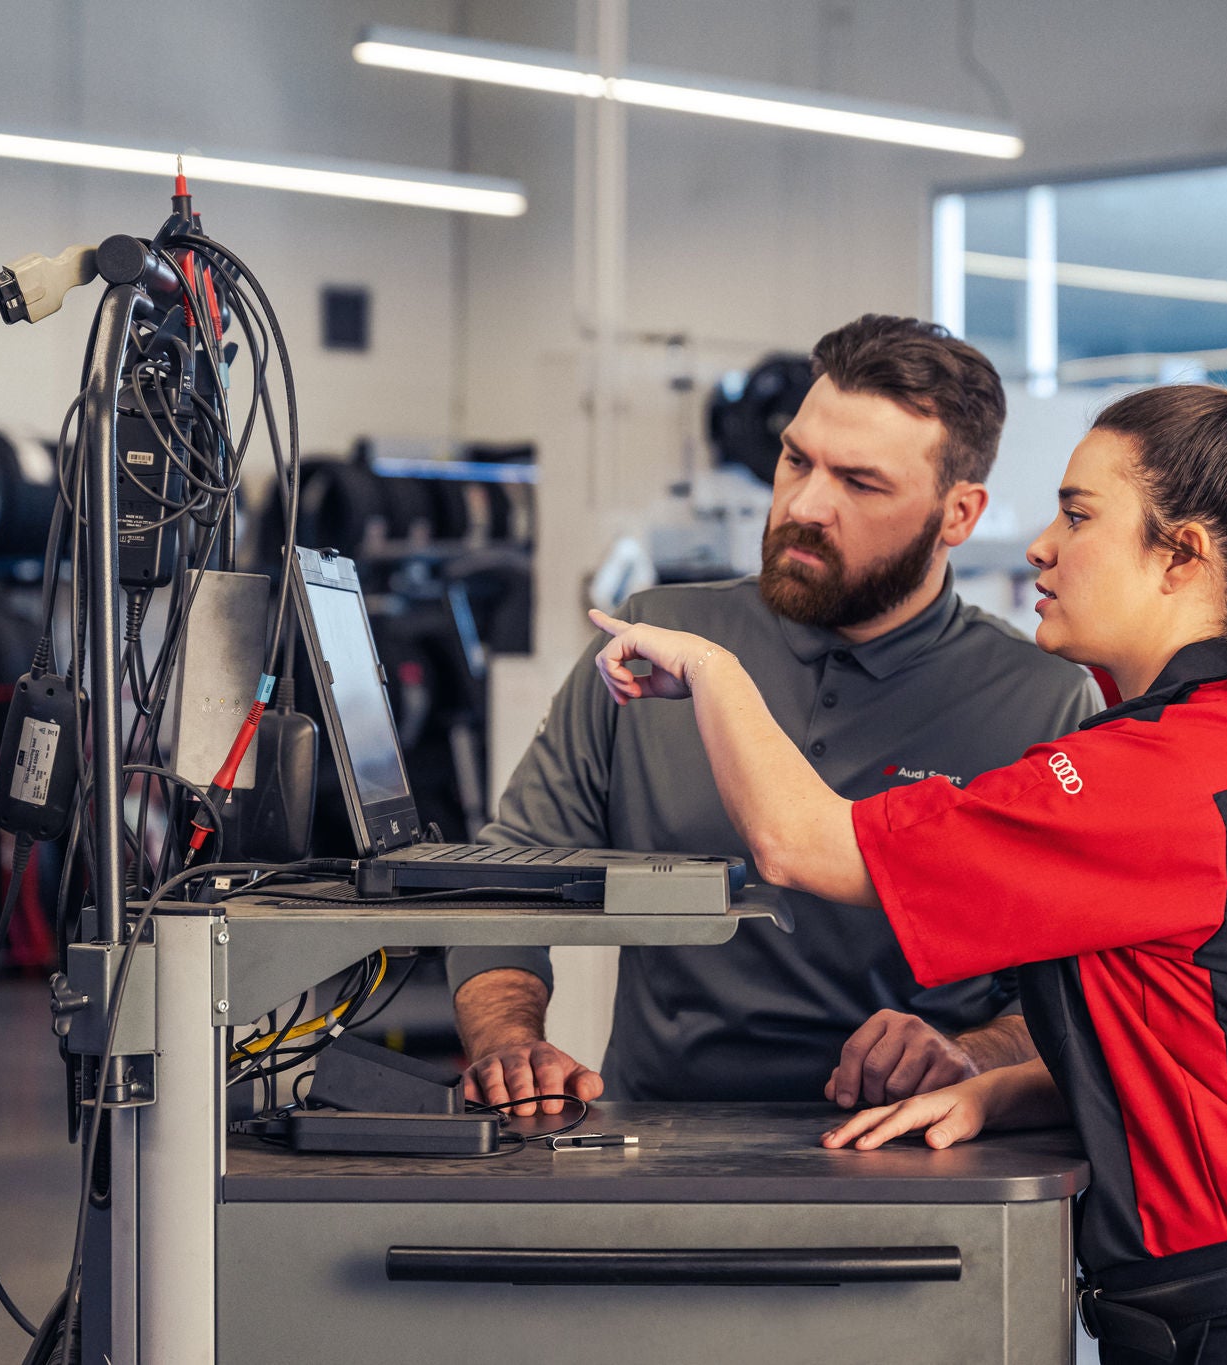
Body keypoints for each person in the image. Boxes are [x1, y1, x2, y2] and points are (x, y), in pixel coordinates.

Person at [587, 385, 1227, 1365]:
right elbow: (1223, 1054)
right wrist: (1004, 1091)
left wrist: (712, 666)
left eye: (1077, 515)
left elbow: (800, 842)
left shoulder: (1160, 775)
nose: (1040, 545)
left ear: (1183, 555)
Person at [447, 314, 1102, 1114]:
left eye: (860, 483)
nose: (805, 504)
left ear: (958, 515)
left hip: (911, 1153)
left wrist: (969, 1050)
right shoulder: (653, 639)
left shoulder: (1042, 697)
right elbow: (502, 879)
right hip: (659, 1140)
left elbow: (1076, 984)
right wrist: (510, 1041)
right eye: (797, 459)